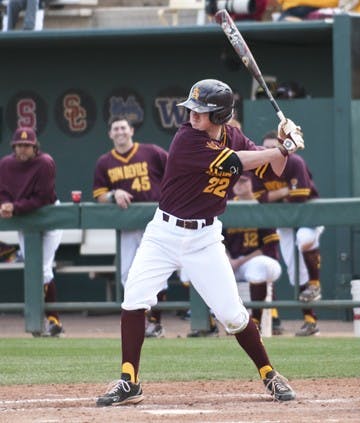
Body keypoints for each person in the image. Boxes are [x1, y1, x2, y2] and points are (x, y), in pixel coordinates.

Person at [96, 78, 302, 406]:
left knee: (233, 315)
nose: (193, 115)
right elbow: (235, 163)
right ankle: (129, 381)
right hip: (164, 233)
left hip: (204, 238)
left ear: (220, 116)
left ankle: (269, 374)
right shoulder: (186, 139)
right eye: (191, 108)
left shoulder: (232, 135)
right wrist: (281, 149)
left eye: (201, 111)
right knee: (134, 298)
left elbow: (273, 169)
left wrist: (283, 142)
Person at [93, 116, 170, 338]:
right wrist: (113, 193)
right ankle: (142, 321)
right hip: (128, 224)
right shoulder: (105, 161)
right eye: (115, 128)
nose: (119, 132)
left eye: (123, 128)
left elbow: (175, 172)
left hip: (156, 222)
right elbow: (98, 194)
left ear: (131, 131)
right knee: (128, 273)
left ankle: (156, 321)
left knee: (159, 271)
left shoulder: (152, 152)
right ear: (110, 134)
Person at [252, 130, 322, 337]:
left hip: (309, 214)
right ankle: (310, 320)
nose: (269, 151)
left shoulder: (295, 162)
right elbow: (260, 198)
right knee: (294, 270)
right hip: (283, 222)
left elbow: (300, 197)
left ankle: (315, 284)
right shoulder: (259, 167)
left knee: (305, 240)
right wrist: (285, 191)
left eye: (274, 147)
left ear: (283, 148)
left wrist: (275, 196)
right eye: (264, 148)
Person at [0, 127, 64, 337]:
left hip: (49, 217)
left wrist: (14, 207)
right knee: (33, 269)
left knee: (43, 268)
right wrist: (5, 204)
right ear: (14, 146)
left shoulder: (45, 162)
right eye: (19, 145)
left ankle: (51, 319)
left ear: (35, 146)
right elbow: (2, 191)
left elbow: (43, 197)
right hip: (26, 221)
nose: (23, 149)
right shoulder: (6, 164)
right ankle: (48, 321)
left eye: (27, 145)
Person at [224, 172, 282, 332]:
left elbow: (268, 247)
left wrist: (239, 262)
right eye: (236, 181)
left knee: (259, 267)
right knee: (207, 269)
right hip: (230, 261)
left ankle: (255, 320)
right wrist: (228, 259)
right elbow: (217, 240)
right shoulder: (226, 207)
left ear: (252, 183)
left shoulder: (261, 208)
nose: (239, 185)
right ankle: (216, 323)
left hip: (254, 260)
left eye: (243, 181)